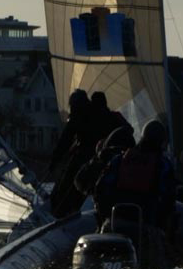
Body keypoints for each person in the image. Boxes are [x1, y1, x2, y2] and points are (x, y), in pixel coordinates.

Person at [94, 120, 176, 232]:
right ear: (161, 141)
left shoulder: (120, 159)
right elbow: (169, 197)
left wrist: (104, 217)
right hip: (146, 225)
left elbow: (100, 188)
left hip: (115, 222)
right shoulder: (162, 164)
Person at [48, 89, 96, 217]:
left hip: (84, 159)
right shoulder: (100, 114)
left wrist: (54, 162)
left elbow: (65, 141)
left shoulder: (77, 117)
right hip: (100, 159)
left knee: (66, 186)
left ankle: (59, 213)